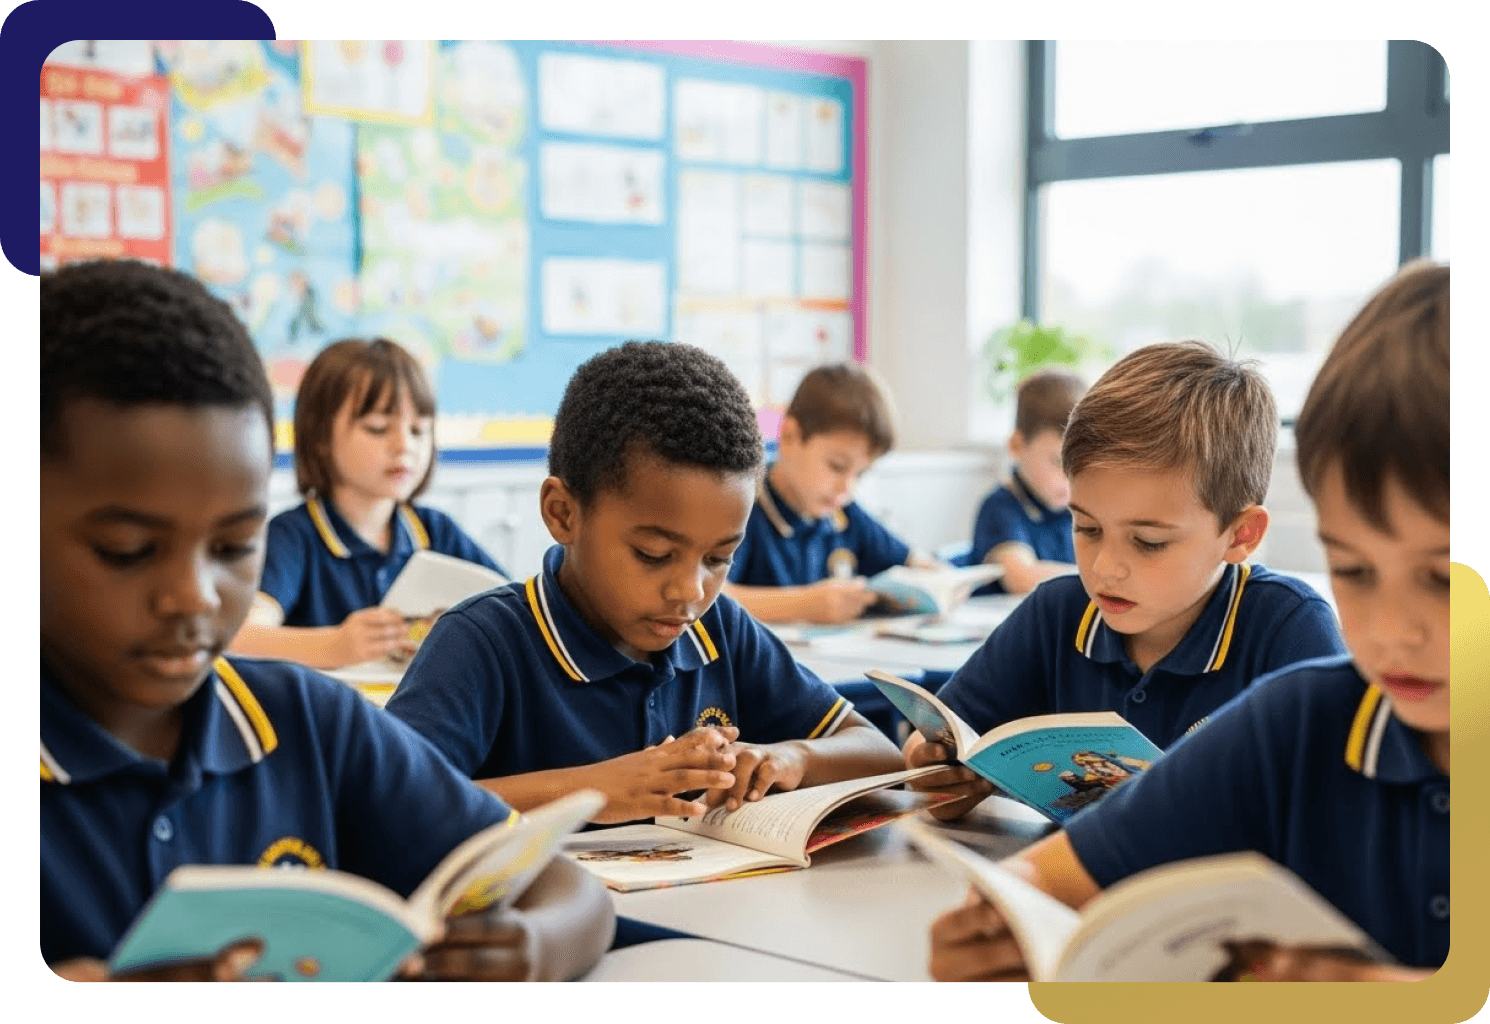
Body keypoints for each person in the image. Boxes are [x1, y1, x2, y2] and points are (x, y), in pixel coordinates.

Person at [41, 260, 613, 981]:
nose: (193, 597)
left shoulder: (311, 723)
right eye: (127, 550)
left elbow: (572, 894)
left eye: (232, 547)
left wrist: (531, 949)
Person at [926, 261, 1450, 982]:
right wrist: (1004, 923)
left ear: (1241, 536)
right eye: (1354, 571)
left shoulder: (1289, 639)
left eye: (1444, 580)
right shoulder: (1294, 720)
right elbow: (1044, 879)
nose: (1393, 631)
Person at [386, 341, 904, 823]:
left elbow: (880, 752)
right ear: (563, 513)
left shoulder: (717, 631)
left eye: (720, 558)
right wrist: (593, 792)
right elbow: (389, 804)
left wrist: (791, 757)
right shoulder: (482, 643)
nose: (690, 591)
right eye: (653, 554)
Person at [907, 341, 1346, 818]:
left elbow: (1332, 810)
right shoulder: (1056, 614)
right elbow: (933, 746)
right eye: (1087, 529)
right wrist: (937, 773)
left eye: (1149, 542)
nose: (1104, 568)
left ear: (1241, 534)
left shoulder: (1288, 629)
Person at [230, 337, 506, 670]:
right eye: (378, 428)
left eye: (419, 430)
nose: (404, 445)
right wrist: (336, 645)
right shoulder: (294, 536)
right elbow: (238, 638)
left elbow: (516, 611)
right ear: (320, 437)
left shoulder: (435, 531)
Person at [723, 363, 935, 624]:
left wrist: (940, 583)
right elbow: (708, 596)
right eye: (837, 466)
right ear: (789, 436)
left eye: (860, 474)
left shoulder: (843, 513)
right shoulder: (741, 504)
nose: (847, 488)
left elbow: (914, 562)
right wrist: (802, 605)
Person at [969, 369, 1085, 594]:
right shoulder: (1001, 506)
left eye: (1081, 462)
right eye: (1058, 461)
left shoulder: (1077, 510)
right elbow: (1021, 577)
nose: (1071, 476)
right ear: (1017, 446)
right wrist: (1100, 578)